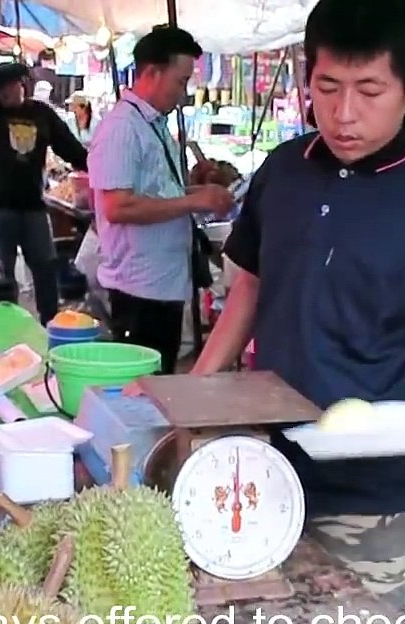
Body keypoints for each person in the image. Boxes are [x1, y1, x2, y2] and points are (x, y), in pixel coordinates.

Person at [190, 0, 405, 610]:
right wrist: (194, 398)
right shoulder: (283, 171)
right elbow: (251, 289)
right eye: (328, 87)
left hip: (385, 500)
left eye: (369, 90)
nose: (344, 115)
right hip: (270, 466)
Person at [88, 26, 233, 374]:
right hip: (138, 288)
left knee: (160, 380)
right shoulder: (123, 128)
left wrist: (202, 194)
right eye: (180, 81)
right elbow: (118, 206)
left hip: (163, 284)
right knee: (143, 389)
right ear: (152, 73)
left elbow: (159, 194)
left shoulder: (152, 124)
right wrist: (193, 203)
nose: (183, 93)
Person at [0, 60, 88, 324]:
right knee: (2, 272)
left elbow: (71, 150)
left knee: (45, 267)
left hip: (33, 205)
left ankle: (50, 324)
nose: (3, 94)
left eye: (9, 88)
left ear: (21, 86)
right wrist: (19, 65)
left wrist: (98, 166)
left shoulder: (42, 114)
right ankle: (4, 323)